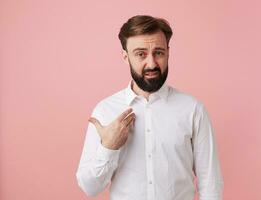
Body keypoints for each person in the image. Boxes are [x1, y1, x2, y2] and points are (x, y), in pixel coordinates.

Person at [75, 15, 224, 200]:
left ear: (168, 52)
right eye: (141, 54)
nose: (152, 63)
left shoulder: (193, 110)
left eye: (159, 52)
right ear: (125, 57)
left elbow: (210, 185)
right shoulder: (105, 111)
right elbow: (89, 188)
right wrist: (109, 147)